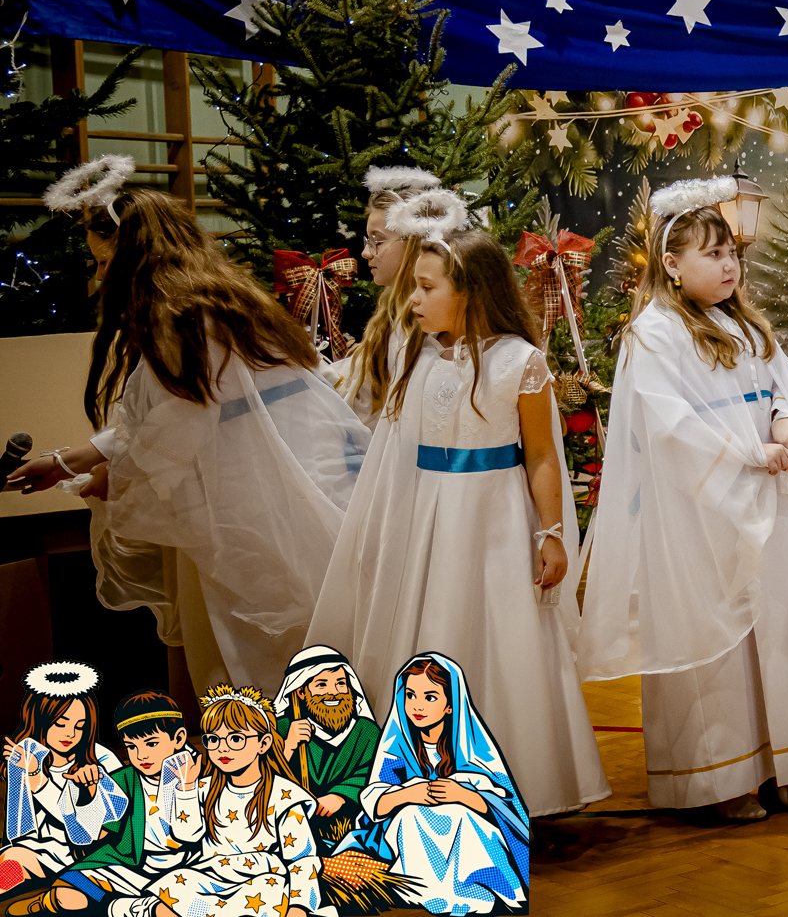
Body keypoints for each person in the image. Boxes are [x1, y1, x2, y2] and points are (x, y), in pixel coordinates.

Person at [581, 178, 788, 822]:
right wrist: (752, 451)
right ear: (671, 264)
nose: (729, 265)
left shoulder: (745, 325)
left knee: (778, 633)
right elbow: (671, 424)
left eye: (732, 253)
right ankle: (720, 778)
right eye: (712, 254)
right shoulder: (653, 332)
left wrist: (786, 420)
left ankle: (785, 768)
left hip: (767, 499)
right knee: (715, 641)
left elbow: (782, 386)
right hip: (700, 512)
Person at [304, 199, 607, 820]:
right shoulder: (418, 358)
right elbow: (397, 452)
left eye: (426, 287)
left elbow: (542, 457)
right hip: (430, 526)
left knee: (504, 638)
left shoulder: (520, 363)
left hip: (497, 523)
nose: (413, 299)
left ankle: (518, 782)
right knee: (436, 630)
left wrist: (550, 533)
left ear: (469, 291)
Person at [7, 173, 363, 698]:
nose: (100, 275)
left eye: (104, 261)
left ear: (136, 254)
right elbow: (168, 418)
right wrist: (67, 462)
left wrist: (110, 479)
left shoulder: (179, 318)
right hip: (261, 490)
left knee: (254, 647)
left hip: (239, 503)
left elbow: (175, 431)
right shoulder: (217, 295)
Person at [335, 655, 527, 916]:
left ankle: (475, 887)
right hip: (409, 825)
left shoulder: (472, 749)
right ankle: (428, 890)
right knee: (411, 814)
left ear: (451, 705)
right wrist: (408, 793)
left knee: (461, 815)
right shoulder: (396, 747)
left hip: (466, 826)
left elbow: (504, 807)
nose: (418, 705)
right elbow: (375, 804)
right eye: (410, 695)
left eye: (430, 697)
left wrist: (463, 795)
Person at [139, 686, 320, 917]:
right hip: (209, 875)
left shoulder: (284, 795)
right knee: (169, 890)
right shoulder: (204, 788)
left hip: (263, 878)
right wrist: (187, 788)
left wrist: (299, 907)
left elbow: (302, 860)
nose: (222, 748)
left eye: (235, 738)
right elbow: (186, 835)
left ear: (263, 743)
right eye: (213, 739)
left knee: (266, 895)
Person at [22, 692, 203, 917]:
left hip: (184, 870)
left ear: (178, 738)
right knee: (68, 894)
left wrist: (187, 789)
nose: (141, 755)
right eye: (131, 746)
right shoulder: (123, 779)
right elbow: (91, 835)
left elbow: (190, 836)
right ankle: (127, 907)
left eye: (151, 743)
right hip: (131, 866)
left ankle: (128, 908)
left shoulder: (200, 777)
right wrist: (87, 793)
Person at [330, 165, 442, 428]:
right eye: (367, 241)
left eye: (377, 241)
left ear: (414, 241)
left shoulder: (429, 321)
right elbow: (360, 380)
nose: (366, 253)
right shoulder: (391, 310)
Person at [2, 666, 126, 899]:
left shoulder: (102, 759)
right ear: (40, 718)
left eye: (80, 726)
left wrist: (38, 781)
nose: (70, 734)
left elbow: (89, 832)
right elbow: (21, 829)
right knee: (9, 862)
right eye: (61, 723)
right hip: (42, 852)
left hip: (95, 857)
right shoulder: (28, 753)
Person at [272, 648, 381, 849]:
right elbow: (260, 778)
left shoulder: (366, 731)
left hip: (352, 830)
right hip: (291, 831)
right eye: (322, 685)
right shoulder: (282, 728)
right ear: (301, 692)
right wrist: (288, 746)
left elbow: (376, 773)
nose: (334, 692)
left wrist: (341, 796)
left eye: (341, 683)